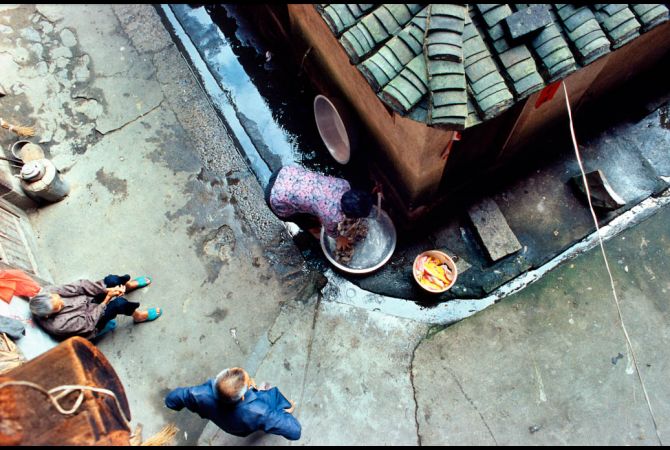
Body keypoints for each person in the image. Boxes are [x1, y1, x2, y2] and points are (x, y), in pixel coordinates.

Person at [164, 367, 301, 441]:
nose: (251, 381)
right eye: (249, 383)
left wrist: (174, 406)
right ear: (242, 398)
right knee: (272, 396)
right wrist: (281, 416)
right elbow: (294, 431)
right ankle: (286, 407)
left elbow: (172, 400)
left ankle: (258, 394)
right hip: (250, 420)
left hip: (231, 427)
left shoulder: (199, 394)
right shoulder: (259, 411)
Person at [265, 165, 374, 251]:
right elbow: (331, 231)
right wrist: (340, 238)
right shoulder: (331, 215)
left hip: (286, 174)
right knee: (305, 221)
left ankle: (312, 213)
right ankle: (313, 230)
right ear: (348, 214)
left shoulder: (343, 184)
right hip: (276, 198)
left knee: (312, 204)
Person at [28, 274, 161, 341]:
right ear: (48, 315)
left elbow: (80, 286)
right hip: (92, 321)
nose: (62, 302)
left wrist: (107, 290)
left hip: (88, 300)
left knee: (112, 280)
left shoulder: (48, 292)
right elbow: (89, 322)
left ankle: (128, 286)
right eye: (59, 307)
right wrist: (107, 298)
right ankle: (138, 316)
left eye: (59, 298)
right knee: (119, 304)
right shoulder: (58, 325)